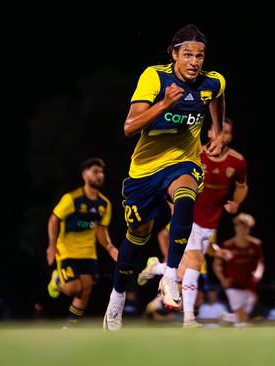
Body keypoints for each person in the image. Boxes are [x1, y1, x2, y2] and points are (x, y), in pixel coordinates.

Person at [103, 24, 226, 330]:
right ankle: (115, 302)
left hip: (182, 162)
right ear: (174, 55)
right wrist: (165, 104)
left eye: (200, 56)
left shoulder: (213, 82)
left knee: (186, 196)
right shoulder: (155, 77)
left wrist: (218, 130)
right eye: (187, 55)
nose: (194, 62)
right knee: (137, 236)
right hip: (144, 171)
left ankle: (170, 275)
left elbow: (218, 97)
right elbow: (129, 128)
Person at [137, 117, 248, 327]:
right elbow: (172, 177)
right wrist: (173, 206)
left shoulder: (237, 161)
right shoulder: (195, 153)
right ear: (209, 133)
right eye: (218, 130)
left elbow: (242, 186)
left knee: (184, 271)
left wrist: (236, 203)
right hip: (189, 217)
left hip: (210, 225)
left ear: (230, 137)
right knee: (196, 262)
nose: (221, 135)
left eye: (226, 132)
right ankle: (189, 319)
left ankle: (155, 268)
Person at [46, 158, 117, 327]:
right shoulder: (72, 199)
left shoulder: (104, 204)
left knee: (85, 290)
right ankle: (56, 281)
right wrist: (51, 245)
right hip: (67, 251)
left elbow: (101, 229)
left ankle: (70, 326)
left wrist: (110, 247)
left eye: (101, 172)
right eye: (95, 172)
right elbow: (54, 220)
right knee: (73, 288)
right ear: (84, 175)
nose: (99, 175)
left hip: (88, 253)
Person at [213, 213, 264, 327]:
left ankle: (225, 317)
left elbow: (260, 262)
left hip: (249, 283)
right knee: (241, 314)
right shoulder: (228, 245)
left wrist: (258, 273)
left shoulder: (255, 244)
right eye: (239, 227)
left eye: (245, 227)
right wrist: (222, 279)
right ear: (235, 228)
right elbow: (217, 264)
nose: (242, 230)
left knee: (244, 313)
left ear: (249, 228)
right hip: (232, 284)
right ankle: (243, 333)